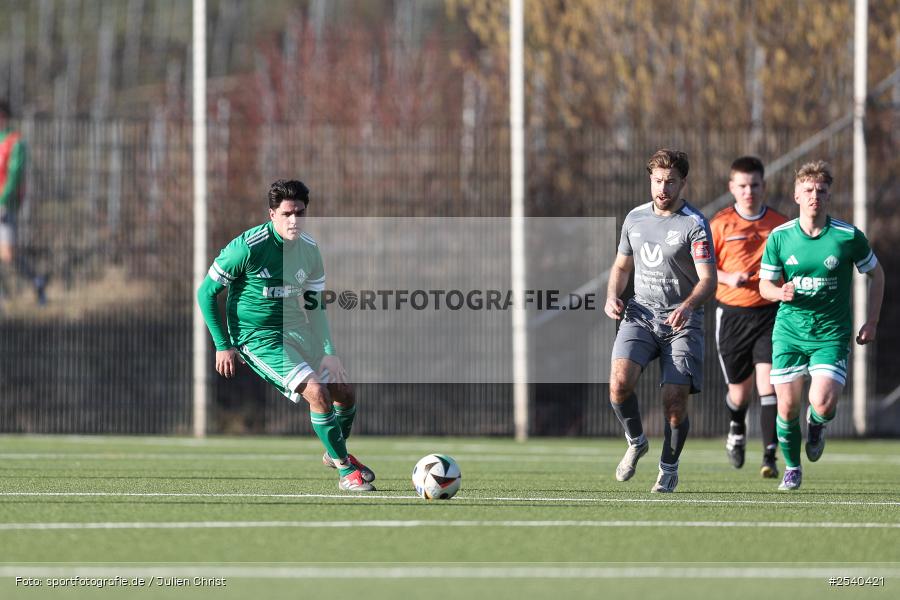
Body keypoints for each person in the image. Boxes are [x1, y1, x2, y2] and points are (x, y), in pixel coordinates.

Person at [197, 179, 376, 491]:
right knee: (317, 393)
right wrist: (222, 345)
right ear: (272, 214)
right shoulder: (246, 248)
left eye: (300, 213)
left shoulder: (309, 250)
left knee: (345, 392)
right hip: (257, 337)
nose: (295, 220)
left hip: (298, 329)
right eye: (288, 213)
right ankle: (346, 472)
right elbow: (206, 293)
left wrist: (329, 351)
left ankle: (335, 453)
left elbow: (315, 306)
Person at [759, 161, 884, 491]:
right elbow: (764, 286)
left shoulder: (847, 237)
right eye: (809, 190)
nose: (815, 195)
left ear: (829, 196)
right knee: (786, 405)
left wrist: (871, 321)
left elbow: (876, 274)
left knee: (824, 402)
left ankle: (816, 426)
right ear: (797, 194)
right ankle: (792, 467)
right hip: (789, 332)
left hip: (831, 333)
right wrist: (779, 291)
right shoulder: (780, 237)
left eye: (822, 190)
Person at [604, 149, 717, 493]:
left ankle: (669, 466)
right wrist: (612, 295)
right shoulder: (635, 219)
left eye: (670, 181)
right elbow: (622, 266)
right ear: (649, 180)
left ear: (683, 182)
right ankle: (636, 441)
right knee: (619, 384)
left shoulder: (694, 225)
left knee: (674, 402)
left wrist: (687, 306)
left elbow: (708, 280)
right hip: (640, 314)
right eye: (657, 181)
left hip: (681, 322)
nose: (663, 188)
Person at [710, 156, 788, 478]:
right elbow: (700, 272)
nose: (749, 191)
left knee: (768, 384)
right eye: (742, 185)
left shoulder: (781, 225)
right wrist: (729, 278)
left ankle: (770, 456)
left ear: (764, 186)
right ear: (732, 188)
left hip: (769, 313)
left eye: (754, 185)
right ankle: (736, 427)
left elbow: (793, 261)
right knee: (739, 394)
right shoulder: (719, 225)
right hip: (731, 316)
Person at [0, 99, 44, 305]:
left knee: (9, 255)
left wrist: (4, 200)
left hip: (4, 203)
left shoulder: (15, 141)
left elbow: (14, 173)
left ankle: (37, 282)